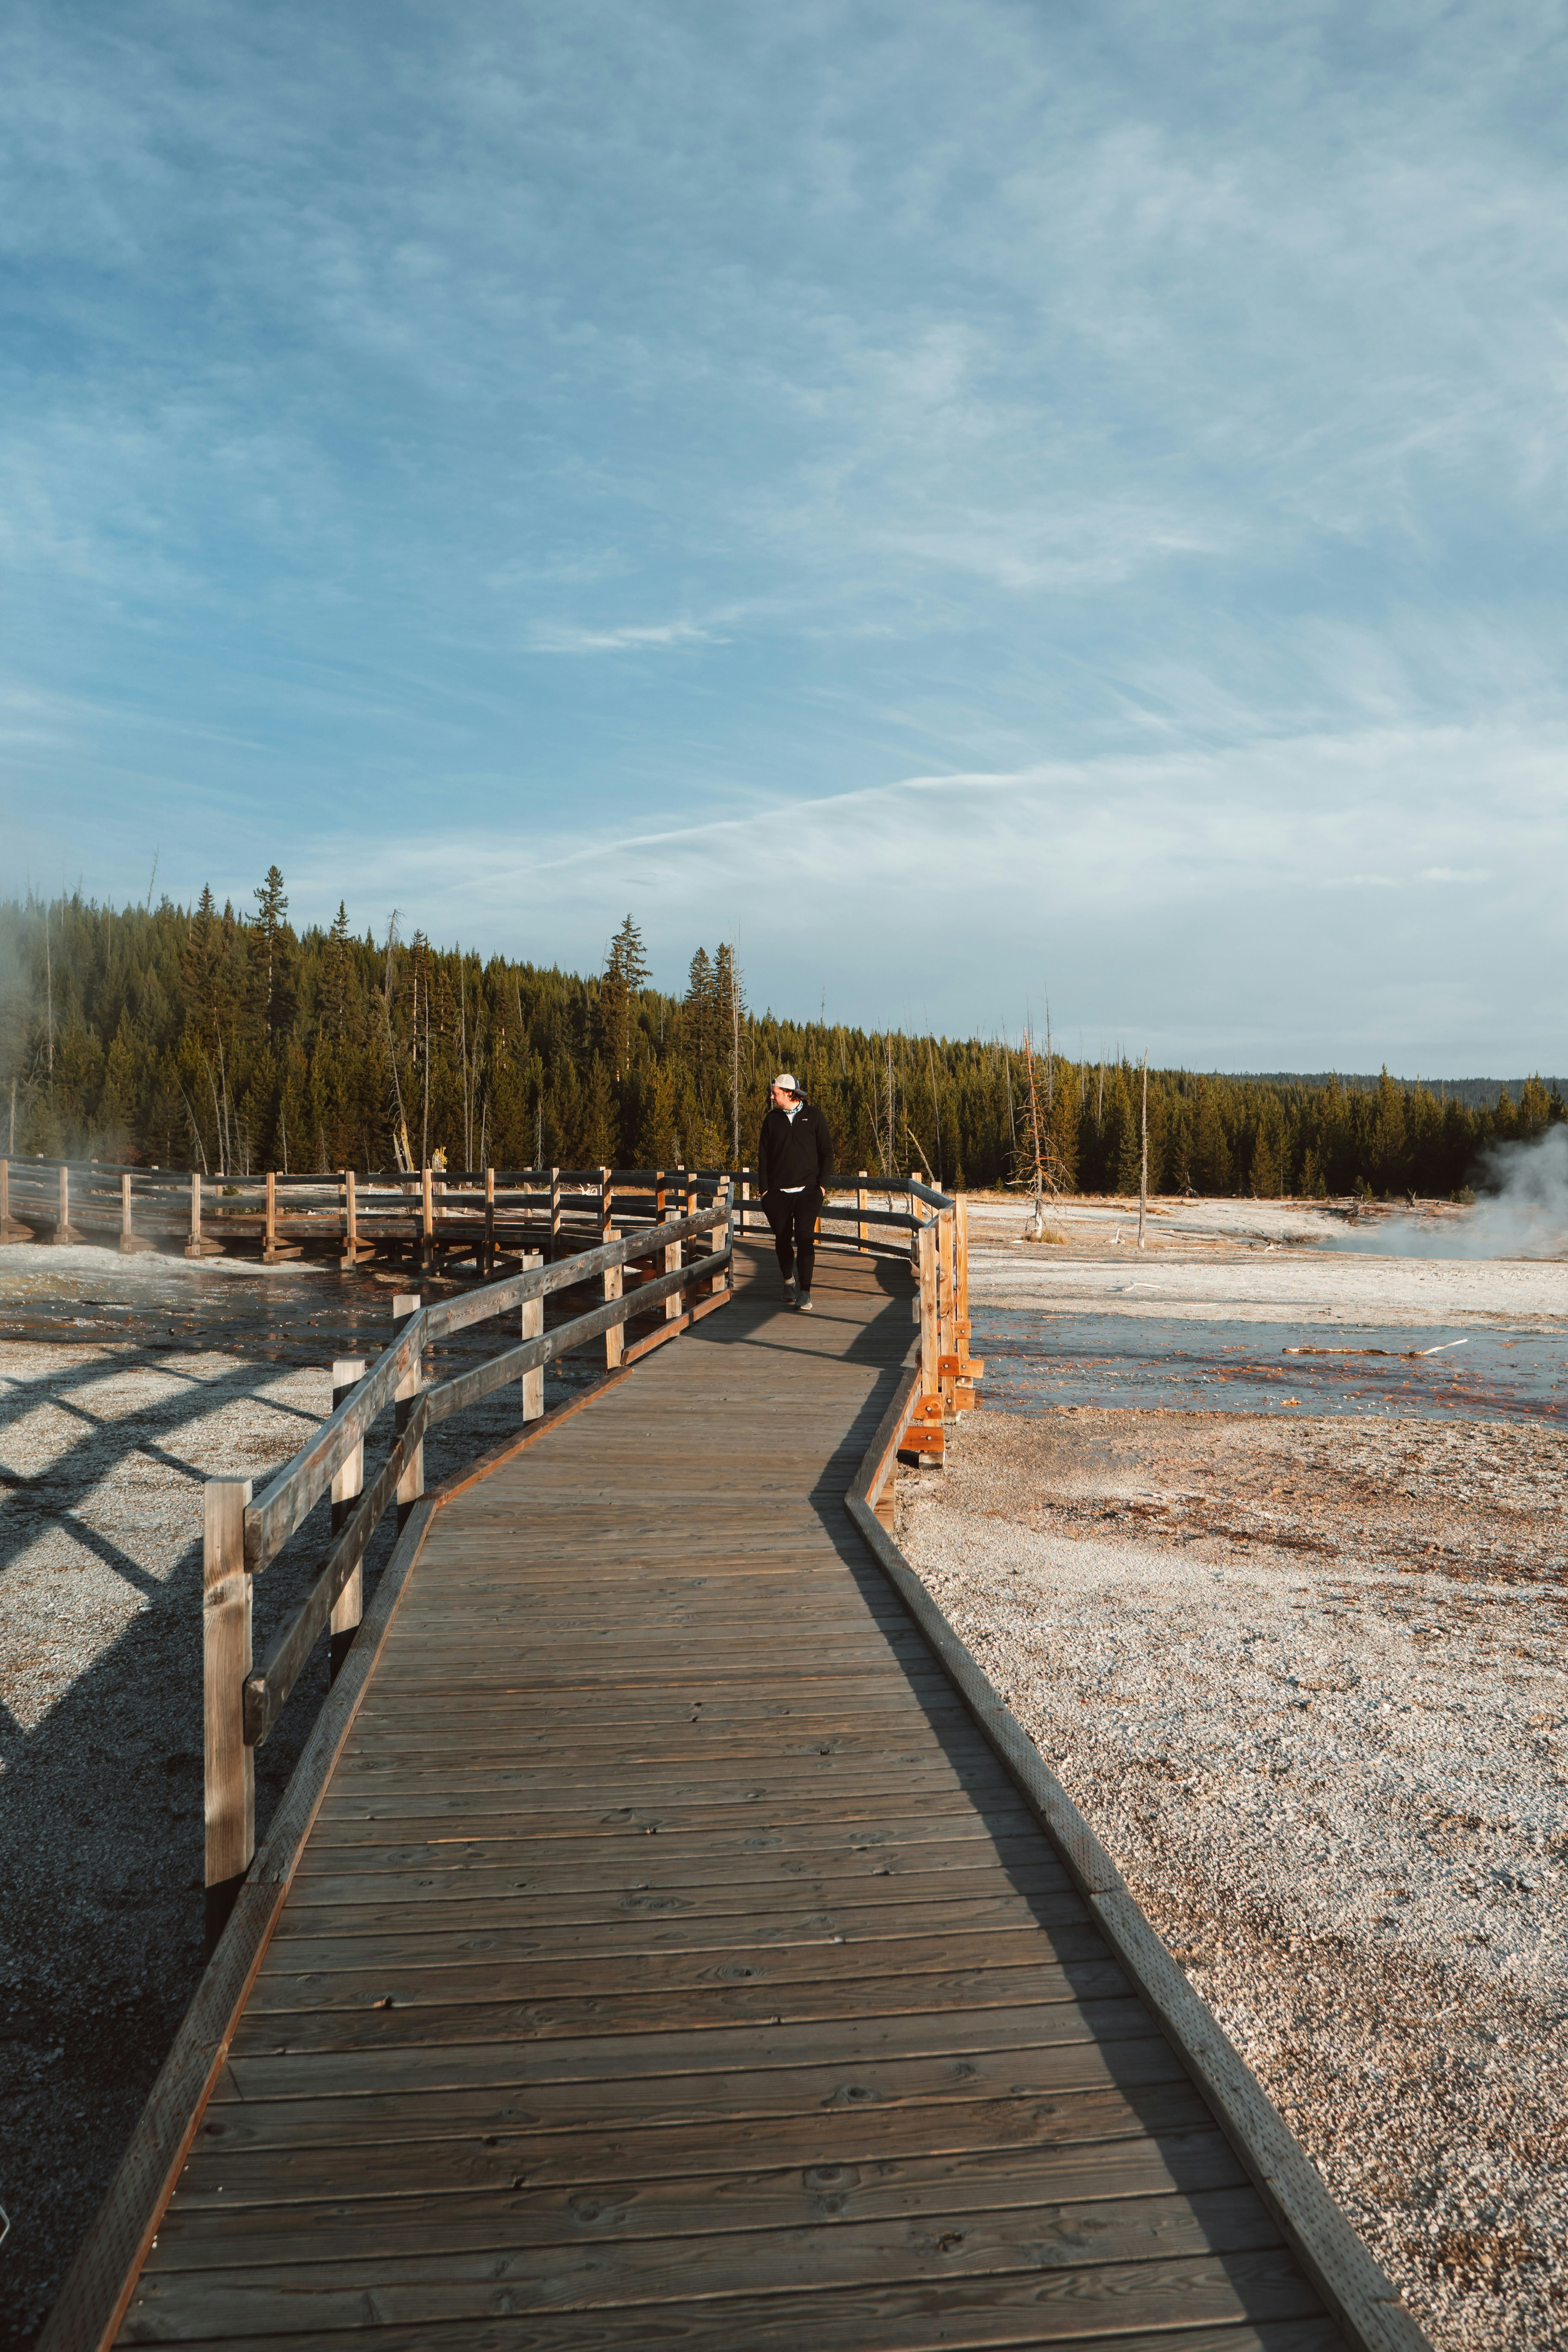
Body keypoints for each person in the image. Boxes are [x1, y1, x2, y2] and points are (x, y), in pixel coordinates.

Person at [757, 1072, 834, 1311]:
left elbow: (827, 1153)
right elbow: (763, 1158)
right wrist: (764, 1193)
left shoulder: (814, 1117)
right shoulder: (771, 1120)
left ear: (789, 1094)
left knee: (804, 1237)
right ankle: (788, 1281)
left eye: (775, 1093)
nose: (772, 1097)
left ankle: (805, 1292)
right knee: (782, 1240)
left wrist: (821, 1186)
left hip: (809, 1191)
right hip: (778, 1193)